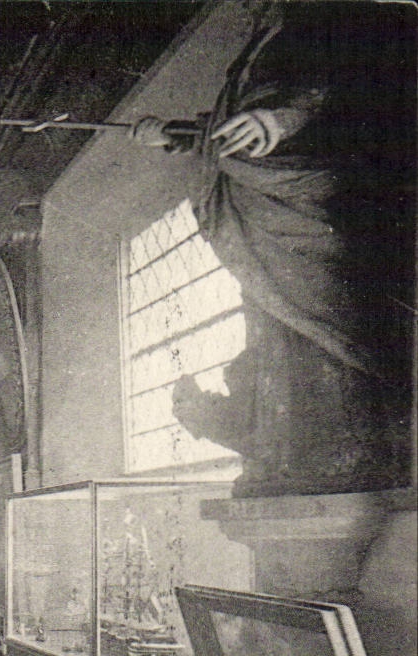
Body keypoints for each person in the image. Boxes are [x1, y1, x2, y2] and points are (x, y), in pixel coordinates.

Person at [130, 1, 414, 496]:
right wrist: (172, 136)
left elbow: (358, 84)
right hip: (258, 214)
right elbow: (229, 130)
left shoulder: (338, 18)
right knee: (272, 324)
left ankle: (341, 453)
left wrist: (281, 120)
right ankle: (290, 450)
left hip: (308, 209)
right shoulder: (259, 44)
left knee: (326, 323)